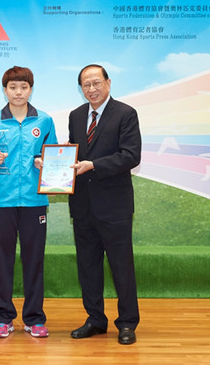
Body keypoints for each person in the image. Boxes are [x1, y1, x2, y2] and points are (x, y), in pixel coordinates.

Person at [0, 66, 58, 339]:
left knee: (34, 260)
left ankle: (34, 318)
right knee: (3, 260)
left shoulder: (44, 121)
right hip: (2, 200)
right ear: (5, 90)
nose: (18, 92)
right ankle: (2, 318)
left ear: (31, 89)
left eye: (23, 87)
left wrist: (45, 164)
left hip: (35, 201)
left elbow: (55, 158)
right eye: (13, 87)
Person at [67, 64, 142, 345]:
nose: (92, 89)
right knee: (88, 266)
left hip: (115, 206)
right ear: (81, 88)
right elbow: (75, 151)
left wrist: (93, 165)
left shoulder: (125, 113)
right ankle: (95, 319)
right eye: (86, 85)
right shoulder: (76, 116)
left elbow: (130, 155)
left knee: (121, 266)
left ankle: (127, 323)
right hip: (83, 205)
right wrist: (59, 160)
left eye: (96, 83)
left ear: (108, 83)